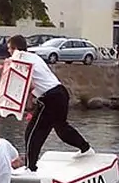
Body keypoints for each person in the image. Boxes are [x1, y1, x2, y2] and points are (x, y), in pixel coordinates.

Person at [5, 35, 93, 172]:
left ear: (15, 48)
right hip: (61, 92)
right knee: (61, 128)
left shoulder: (19, 59)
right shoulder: (33, 57)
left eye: (9, 49)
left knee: (32, 132)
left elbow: (30, 85)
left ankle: (30, 168)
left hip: (50, 98)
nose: (8, 52)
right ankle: (86, 148)